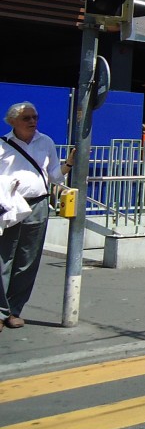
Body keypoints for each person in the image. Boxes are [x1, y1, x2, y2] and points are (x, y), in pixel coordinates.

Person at [1, 102, 74, 331]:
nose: (32, 121)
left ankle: (14, 310)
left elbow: (52, 176)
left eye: (35, 117)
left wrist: (68, 164)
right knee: (3, 258)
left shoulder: (46, 142)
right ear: (13, 121)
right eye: (27, 118)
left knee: (28, 261)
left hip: (38, 204)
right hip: (10, 206)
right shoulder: (2, 145)